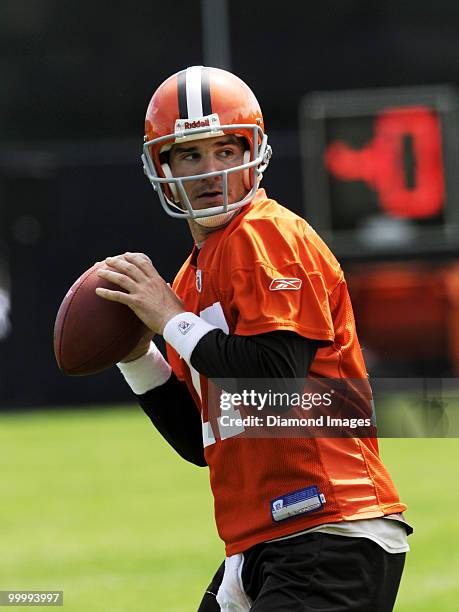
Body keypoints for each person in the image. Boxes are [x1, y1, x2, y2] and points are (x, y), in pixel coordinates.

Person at [95, 66, 411, 611]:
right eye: (190, 155)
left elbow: (277, 378)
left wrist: (171, 320)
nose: (210, 170)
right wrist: (138, 356)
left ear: (253, 153)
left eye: (224, 149)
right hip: (262, 540)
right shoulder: (185, 282)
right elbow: (205, 439)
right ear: (161, 165)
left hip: (328, 529)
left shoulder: (266, 233)